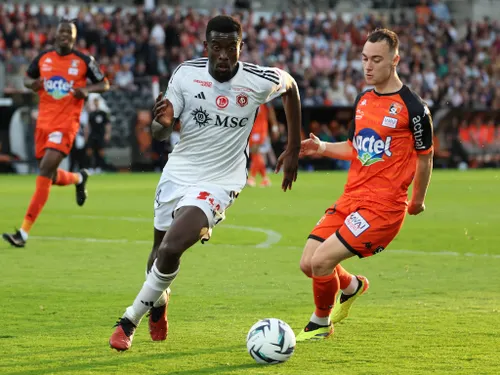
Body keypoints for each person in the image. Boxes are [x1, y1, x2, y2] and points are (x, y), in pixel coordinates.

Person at [109, 15, 302, 351]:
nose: (224, 54)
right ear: (207, 47)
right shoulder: (186, 74)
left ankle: (128, 321)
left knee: (171, 247)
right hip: (179, 172)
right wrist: (163, 124)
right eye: (217, 47)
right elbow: (160, 129)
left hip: (221, 180)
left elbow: (291, 88)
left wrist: (293, 146)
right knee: (158, 254)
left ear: (241, 46)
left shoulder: (257, 79)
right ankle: (160, 302)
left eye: (231, 47)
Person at [295, 28, 434, 341]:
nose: (368, 66)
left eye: (376, 60)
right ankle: (352, 286)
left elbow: (426, 158)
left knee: (321, 261)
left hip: (382, 210)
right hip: (351, 199)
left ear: (395, 60)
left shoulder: (414, 109)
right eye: (364, 59)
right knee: (308, 263)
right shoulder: (363, 99)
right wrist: (322, 148)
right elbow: (355, 148)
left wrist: (418, 199)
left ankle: (319, 324)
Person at [2, 20, 109, 248]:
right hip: (43, 123)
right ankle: (79, 178)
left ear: (74, 37)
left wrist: (86, 90)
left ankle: (23, 232)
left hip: (66, 124)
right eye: (61, 32)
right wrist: (33, 84)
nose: (64, 36)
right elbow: (27, 79)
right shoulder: (43, 58)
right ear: (55, 34)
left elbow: (105, 83)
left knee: (44, 170)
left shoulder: (84, 61)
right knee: (49, 174)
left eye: (69, 33)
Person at [247, 103, 278, 187]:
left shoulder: (265, 99)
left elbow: (271, 112)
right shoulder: (251, 99)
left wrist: (274, 127)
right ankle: (265, 179)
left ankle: (252, 178)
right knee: (255, 154)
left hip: (260, 129)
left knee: (255, 152)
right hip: (252, 129)